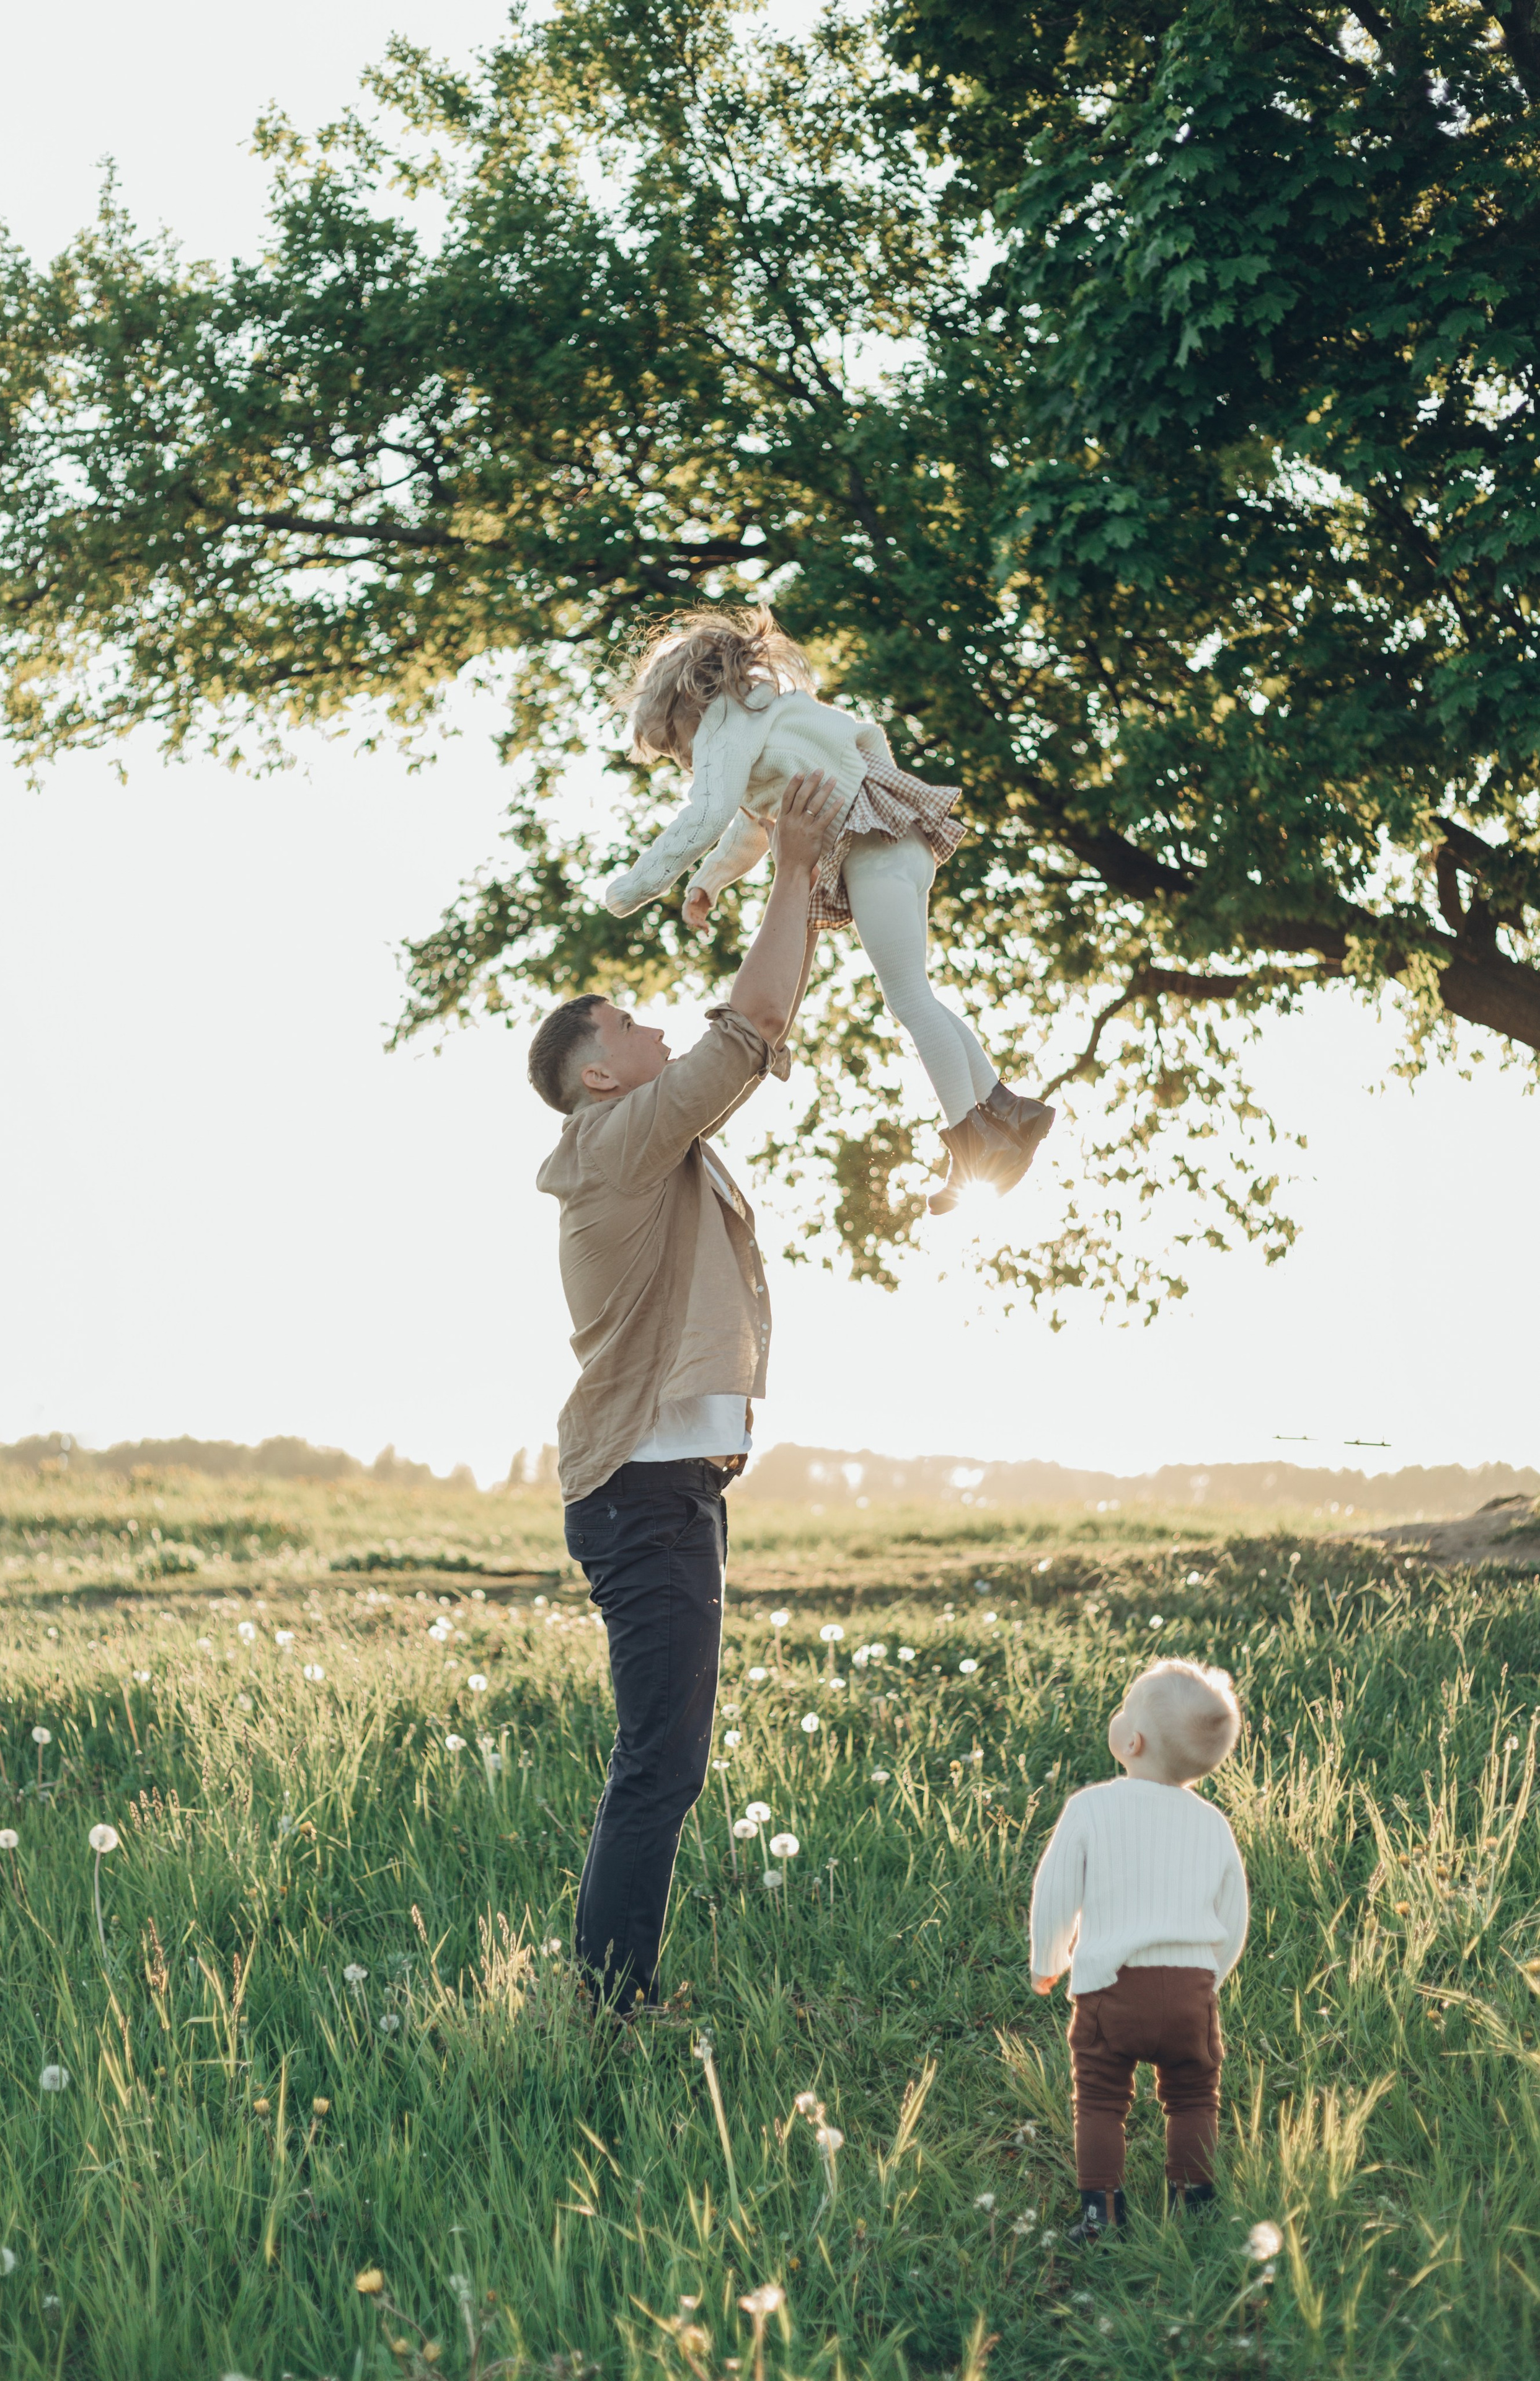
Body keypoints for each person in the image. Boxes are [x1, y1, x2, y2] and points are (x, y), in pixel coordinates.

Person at [529, 769, 846, 2016]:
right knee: (658, 1762)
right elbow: (749, 1029)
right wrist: (784, 872)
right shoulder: (614, 1143)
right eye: (625, 1027)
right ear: (598, 1077)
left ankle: (613, 1991)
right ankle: (610, 2006)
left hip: (671, 1490)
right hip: (642, 1494)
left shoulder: (635, 1145)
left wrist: (800, 898)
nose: (652, 1029)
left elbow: (756, 1014)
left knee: (666, 1760)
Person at [601, 605, 1054, 1215]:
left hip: (870, 843)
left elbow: (707, 811)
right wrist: (710, 881)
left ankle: (972, 1145)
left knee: (909, 1000)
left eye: (677, 747)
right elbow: (755, 829)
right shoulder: (767, 718)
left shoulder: (725, 720)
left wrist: (631, 888)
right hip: (896, 841)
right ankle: (1004, 1107)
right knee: (916, 994)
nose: (684, 763)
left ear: (688, 706)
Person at [1029, 1659, 1249, 2241]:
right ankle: (1194, 2202)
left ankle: (1102, 2213)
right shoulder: (1213, 1824)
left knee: (1100, 2098)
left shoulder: (1091, 1807)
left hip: (1111, 1986)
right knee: (1194, 2096)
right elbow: (1234, 1915)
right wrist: (1208, 1978)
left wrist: (1048, 1962)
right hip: (1190, 1991)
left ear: (1132, 1740)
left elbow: (1055, 1891)